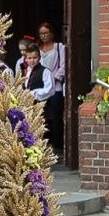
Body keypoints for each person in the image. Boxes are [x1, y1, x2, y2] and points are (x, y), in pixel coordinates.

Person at [36, 21, 67, 154]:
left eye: (46, 33)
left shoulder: (59, 47)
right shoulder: (37, 48)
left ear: (52, 33)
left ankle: (57, 144)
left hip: (55, 87)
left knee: (55, 116)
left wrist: (51, 79)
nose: (43, 36)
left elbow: (63, 66)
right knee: (39, 116)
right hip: (40, 88)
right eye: (41, 34)